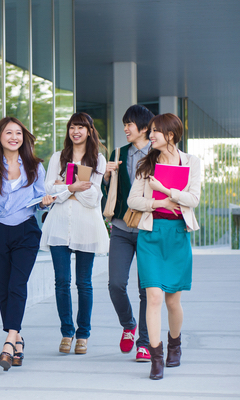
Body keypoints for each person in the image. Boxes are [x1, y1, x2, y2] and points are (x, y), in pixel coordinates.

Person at [128, 113, 201, 380]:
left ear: (170, 135)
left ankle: (175, 344)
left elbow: (193, 199)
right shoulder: (146, 164)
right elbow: (132, 200)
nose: (151, 136)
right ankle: (155, 356)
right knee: (154, 296)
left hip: (177, 235)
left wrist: (167, 191)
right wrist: (158, 203)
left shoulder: (192, 162)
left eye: (156, 131)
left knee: (173, 300)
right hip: (150, 235)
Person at [0, 116, 51, 371]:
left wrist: (46, 200)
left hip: (26, 231)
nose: (14, 137)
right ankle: (18, 342)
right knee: (3, 288)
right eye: (8, 133)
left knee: (17, 284)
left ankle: (9, 340)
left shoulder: (35, 167)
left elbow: (40, 199)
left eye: (18, 133)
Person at [40, 112, 109, 355]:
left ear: (89, 131)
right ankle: (67, 332)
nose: (76, 131)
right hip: (58, 227)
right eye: (72, 127)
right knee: (61, 282)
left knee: (84, 283)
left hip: (86, 228)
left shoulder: (98, 160)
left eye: (81, 127)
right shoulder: (57, 158)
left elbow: (93, 198)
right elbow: (48, 189)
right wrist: (74, 186)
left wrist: (65, 189)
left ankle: (83, 334)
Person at [102, 104, 154, 362]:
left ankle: (144, 342)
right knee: (115, 284)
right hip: (121, 229)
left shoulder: (159, 153)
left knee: (146, 289)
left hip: (147, 229)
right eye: (124, 124)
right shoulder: (119, 153)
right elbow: (111, 194)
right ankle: (128, 324)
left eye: (129, 124)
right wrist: (108, 178)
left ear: (144, 127)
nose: (125, 128)